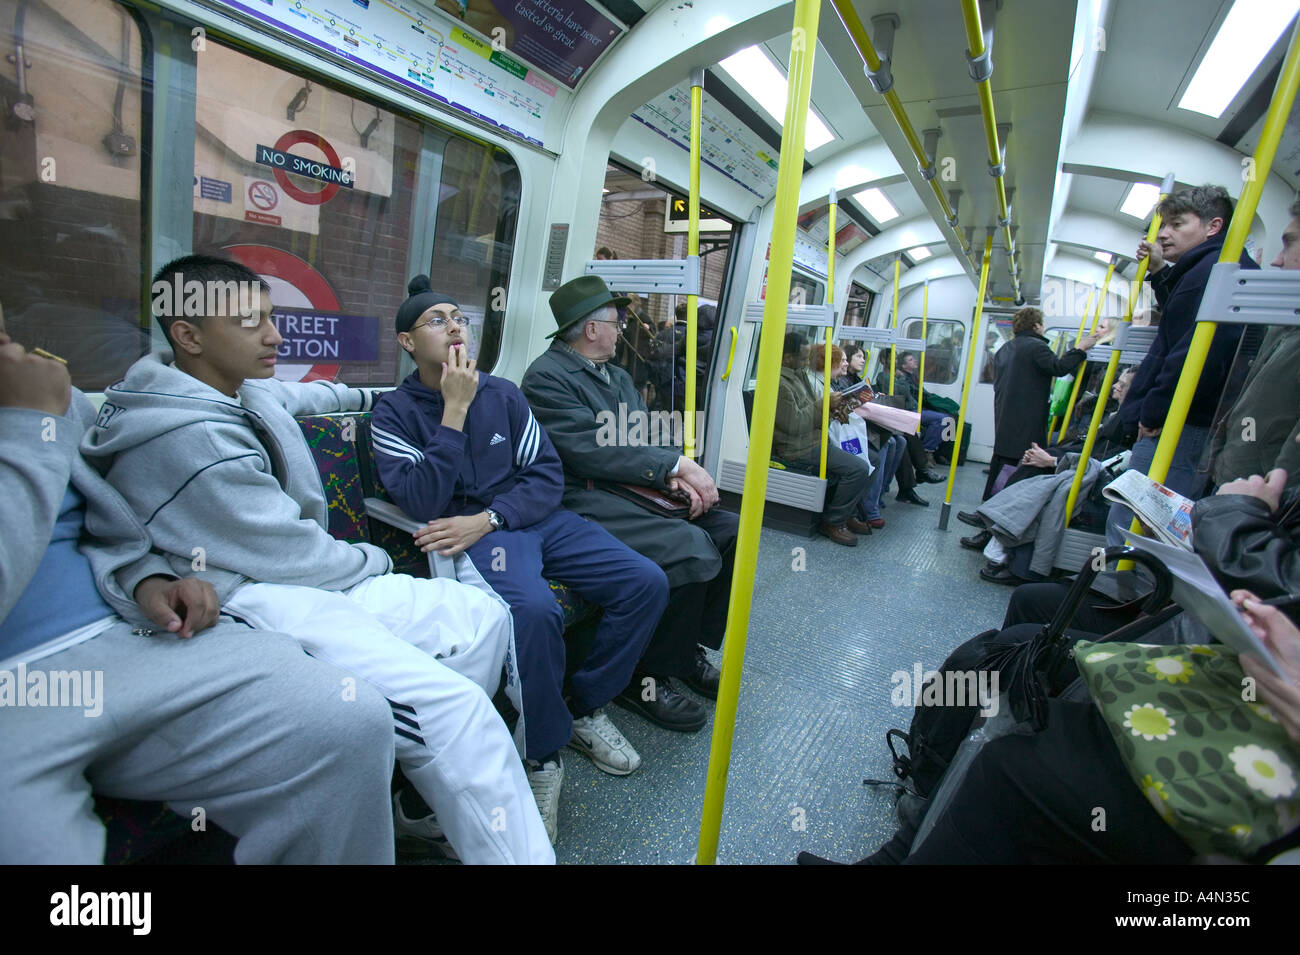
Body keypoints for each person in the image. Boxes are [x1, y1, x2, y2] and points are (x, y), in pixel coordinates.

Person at [81, 254, 553, 864]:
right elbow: (290, 554)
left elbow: (312, 395)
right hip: (254, 594)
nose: (276, 335)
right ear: (189, 336)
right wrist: (377, 561)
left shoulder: (234, 389)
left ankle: (413, 789)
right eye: (253, 323)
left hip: (311, 573)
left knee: (480, 616)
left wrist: (395, 393)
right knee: (456, 712)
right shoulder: (185, 438)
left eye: (273, 318)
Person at [0, 331, 396, 863]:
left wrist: (147, 578)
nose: (273, 335)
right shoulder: (37, 405)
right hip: (18, 686)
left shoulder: (43, 393)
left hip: (126, 630)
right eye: (248, 320)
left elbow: (104, 521)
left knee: (348, 718)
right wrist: (28, 427)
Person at [370, 276, 669, 841]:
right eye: (437, 321)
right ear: (408, 344)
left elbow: (546, 474)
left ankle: (581, 705)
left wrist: (495, 515)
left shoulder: (504, 394)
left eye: (459, 316)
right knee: (534, 612)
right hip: (475, 536)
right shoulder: (393, 414)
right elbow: (421, 499)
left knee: (643, 581)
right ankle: (543, 754)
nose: (455, 326)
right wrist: (453, 412)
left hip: (520, 519)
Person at [521, 275, 733, 733]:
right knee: (691, 546)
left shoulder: (616, 376)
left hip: (631, 486)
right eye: (616, 324)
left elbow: (645, 436)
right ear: (590, 329)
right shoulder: (545, 377)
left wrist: (676, 475)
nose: (622, 331)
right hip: (584, 496)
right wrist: (670, 467)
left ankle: (687, 649)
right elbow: (589, 449)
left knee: (728, 529)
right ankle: (646, 677)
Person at [1106, 184, 1257, 545]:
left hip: (1183, 421)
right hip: (1192, 417)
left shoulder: (1213, 273)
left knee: (1137, 520)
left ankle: (1114, 594)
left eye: (1176, 224)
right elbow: (1182, 318)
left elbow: (1192, 354)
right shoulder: (1209, 270)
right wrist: (1159, 271)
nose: (1164, 233)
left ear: (1213, 226)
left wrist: (1154, 412)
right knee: (1140, 518)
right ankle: (1116, 591)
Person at [984, 305, 1101, 501]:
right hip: (1027, 415)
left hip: (1005, 412)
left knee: (1002, 458)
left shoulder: (1005, 349)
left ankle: (988, 501)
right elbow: (1058, 367)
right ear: (1037, 325)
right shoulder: (1036, 347)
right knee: (1022, 461)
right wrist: (1080, 349)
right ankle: (1005, 504)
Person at [773, 332, 874, 545]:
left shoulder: (799, 375)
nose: (806, 363)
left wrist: (834, 410)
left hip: (814, 439)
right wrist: (825, 405)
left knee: (870, 459)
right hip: (797, 447)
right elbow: (795, 424)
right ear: (787, 358)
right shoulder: (780, 384)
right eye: (802, 358)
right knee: (858, 468)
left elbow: (812, 413)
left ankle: (847, 514)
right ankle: (833, 522)